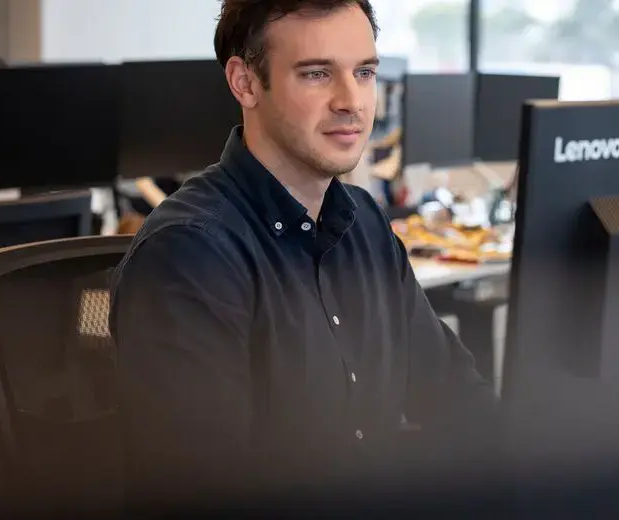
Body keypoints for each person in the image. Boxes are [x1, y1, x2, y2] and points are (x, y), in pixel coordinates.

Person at [108, 0, 496, 505]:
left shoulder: (365, 224)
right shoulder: (190, 256)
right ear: (245, 83)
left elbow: (458, 400)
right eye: (316, 74)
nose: (351, 100)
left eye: (364, 72)